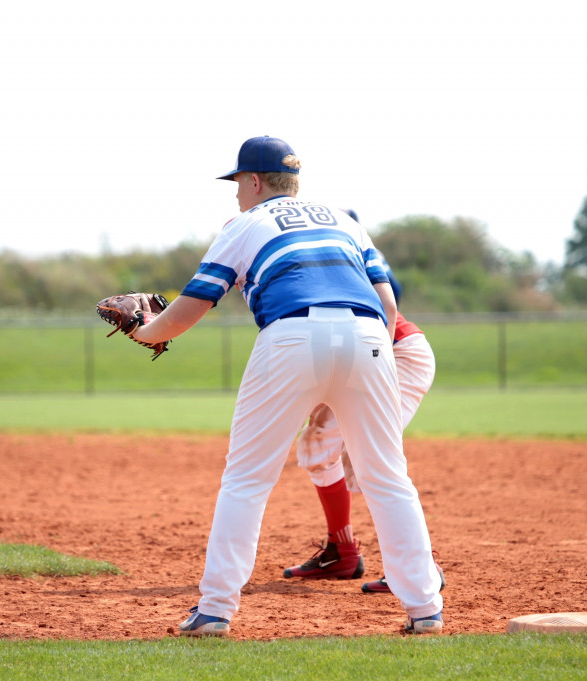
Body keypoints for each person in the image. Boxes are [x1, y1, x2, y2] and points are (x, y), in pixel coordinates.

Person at [130, 136, 444, 636]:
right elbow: (387, 304)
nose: (236, 195)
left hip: (290, 335)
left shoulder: (244, 224)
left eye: (237, 184)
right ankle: (425, 607)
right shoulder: (344, 221)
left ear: (254, 182)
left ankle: (215, 609)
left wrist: (146, 331)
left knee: (247, 478)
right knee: (388, 476)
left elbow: (192, 306)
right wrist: (372, 362)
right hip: (369, 336)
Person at [283, 243, 444, 594]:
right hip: (361, 357)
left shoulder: (299, 271)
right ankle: (341, 551)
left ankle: (420, 566)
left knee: (370, 457)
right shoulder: (283, 274)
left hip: (395, 355)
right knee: (319, 447)